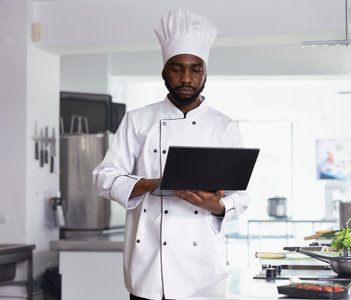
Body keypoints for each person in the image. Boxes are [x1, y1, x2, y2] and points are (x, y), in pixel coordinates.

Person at [92, 8, 250, 300]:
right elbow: (104, 177)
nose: (186, 78)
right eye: (177, 68)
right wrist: (152, 184)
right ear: (164, 71)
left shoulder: (225, 126)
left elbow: (242, 196)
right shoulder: (138, 120)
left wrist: (215, 205)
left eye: (195, 69)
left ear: (205, 72)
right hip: (148, 270)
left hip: (203, 274)